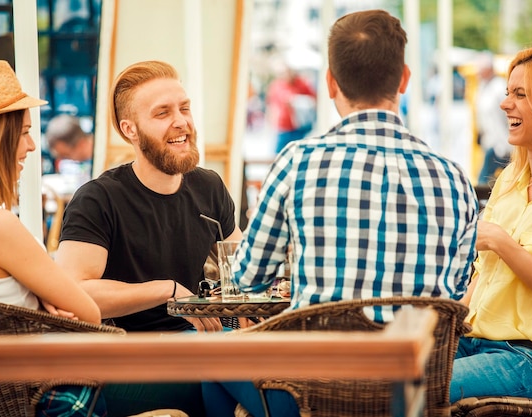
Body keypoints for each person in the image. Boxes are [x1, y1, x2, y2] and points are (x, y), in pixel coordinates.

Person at [203, 9, 479, 417]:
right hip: (412, 398)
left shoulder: (299, 162)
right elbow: (454, 295)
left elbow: (247, 278)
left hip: (313, 397)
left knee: (210, 356)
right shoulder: (455, 178)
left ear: (330, 82)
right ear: (404, 78)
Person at [54, 60, 244, 416]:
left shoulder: (209, 186)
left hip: (200, 348)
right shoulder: (98, 198)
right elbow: (73, 292)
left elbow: (241, 266)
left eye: (184, 108)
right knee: (248, 372)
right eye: (162, 113)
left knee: (250, 360)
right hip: (125, 362)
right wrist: (167, 289)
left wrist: (243, 303)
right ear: (130, 130)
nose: (181, 121)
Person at [0, 60, 105, 416]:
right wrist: (42, 302)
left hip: (15, 397)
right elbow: (89, 315)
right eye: (23, 133)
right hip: (55, 393)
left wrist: (40, 296)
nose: (33, 146)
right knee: (211, 372)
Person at [450, 44, 532, 403]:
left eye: (520, 95)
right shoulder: (510, 179)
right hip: (472, 340)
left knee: (409, 388)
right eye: (508, 93)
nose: (505, 104)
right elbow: (481, 273)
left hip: (528, 358)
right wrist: (452, 317)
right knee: (381, 375)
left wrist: (503, 243)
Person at [475, 51, 512, 186]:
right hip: (490, 142)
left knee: (483, 180)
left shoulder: (499, 86)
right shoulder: (483, 87)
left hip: (501, 143)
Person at [265, 60, 317, 153]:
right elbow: (271, 106)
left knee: (297, 154)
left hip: (299, 127)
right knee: (278, 154)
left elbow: (314, 99)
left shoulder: (301, 83)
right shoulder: (276, 85)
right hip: (283, 127)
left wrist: (300, 101)